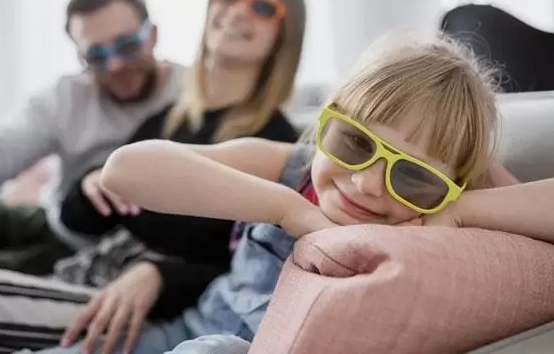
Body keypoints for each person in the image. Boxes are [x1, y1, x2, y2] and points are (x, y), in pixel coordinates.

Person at [34, 31, 510, 354]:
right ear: (326, 124)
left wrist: (463, 193)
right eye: (355, 143)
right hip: (177, 330)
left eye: (412, 176)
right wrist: (288, 209)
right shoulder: (292, 166)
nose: (366, 181)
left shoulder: (434, 218)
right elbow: (124, 170)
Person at [0, 0, 306, 354]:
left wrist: (161, 274)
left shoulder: (277, 144)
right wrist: (91, 186)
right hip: (81, 269)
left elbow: (250, 271)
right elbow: (81, 216)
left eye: (262, 7)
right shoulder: (170, 117)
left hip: (126, 307)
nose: (238, 10)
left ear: (283, 36)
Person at [0, 0, 185, 274]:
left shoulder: (191, 98)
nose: (114, 65)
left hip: (88, 253)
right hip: (48, 219)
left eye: (126, 46)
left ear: (152, 35)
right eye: (96, 56)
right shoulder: (69, 97)